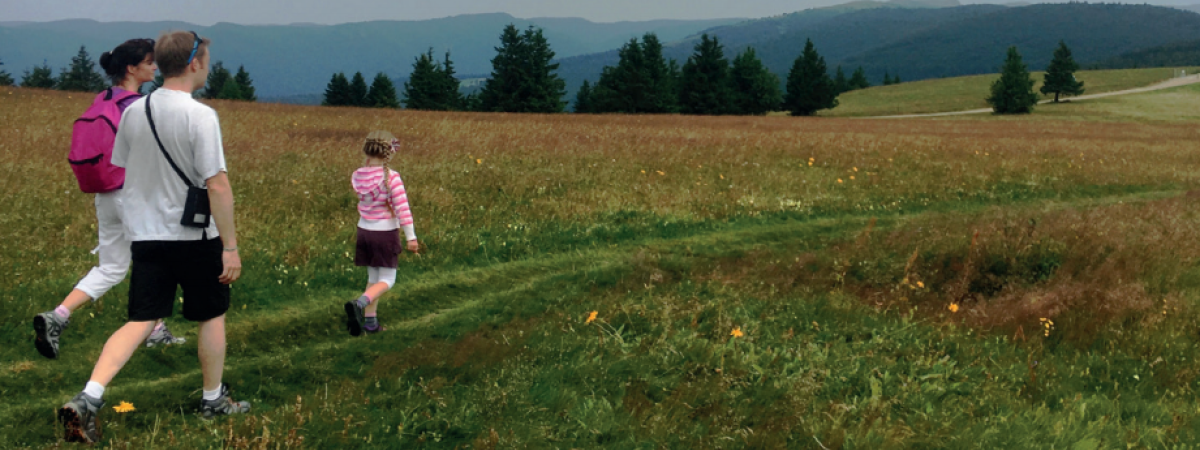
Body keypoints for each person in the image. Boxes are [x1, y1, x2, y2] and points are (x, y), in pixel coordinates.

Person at [57, 31, 249, 444]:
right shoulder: (201, 115)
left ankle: (89, 397)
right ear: (194, 63)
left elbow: (126, 167)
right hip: (196, 236)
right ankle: (213, 399)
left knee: (141, 319)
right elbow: (217, 185)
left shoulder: (134, 111)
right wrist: (230, 247)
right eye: (207, 59)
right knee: (211, 315)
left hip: (145, 235)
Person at [33, 38, 185, 361]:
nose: (155, 67)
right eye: (149, 62)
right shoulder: (139, 107)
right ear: (131, 68)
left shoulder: (102, 99)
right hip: (134, 195)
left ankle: (58, 316)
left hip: (106, 194)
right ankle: (154, 330)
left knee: (112, 267)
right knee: (157, 262)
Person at [345, 130, 419, 336]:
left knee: (374, 278)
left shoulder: (358, 175)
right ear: (388, 154)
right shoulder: (391, 178)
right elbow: (403, 209)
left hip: (364, 231)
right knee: (387, 280)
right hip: (384, 233)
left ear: (366, 151)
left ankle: (370, 323)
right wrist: (411, 237)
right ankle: (359, 304)